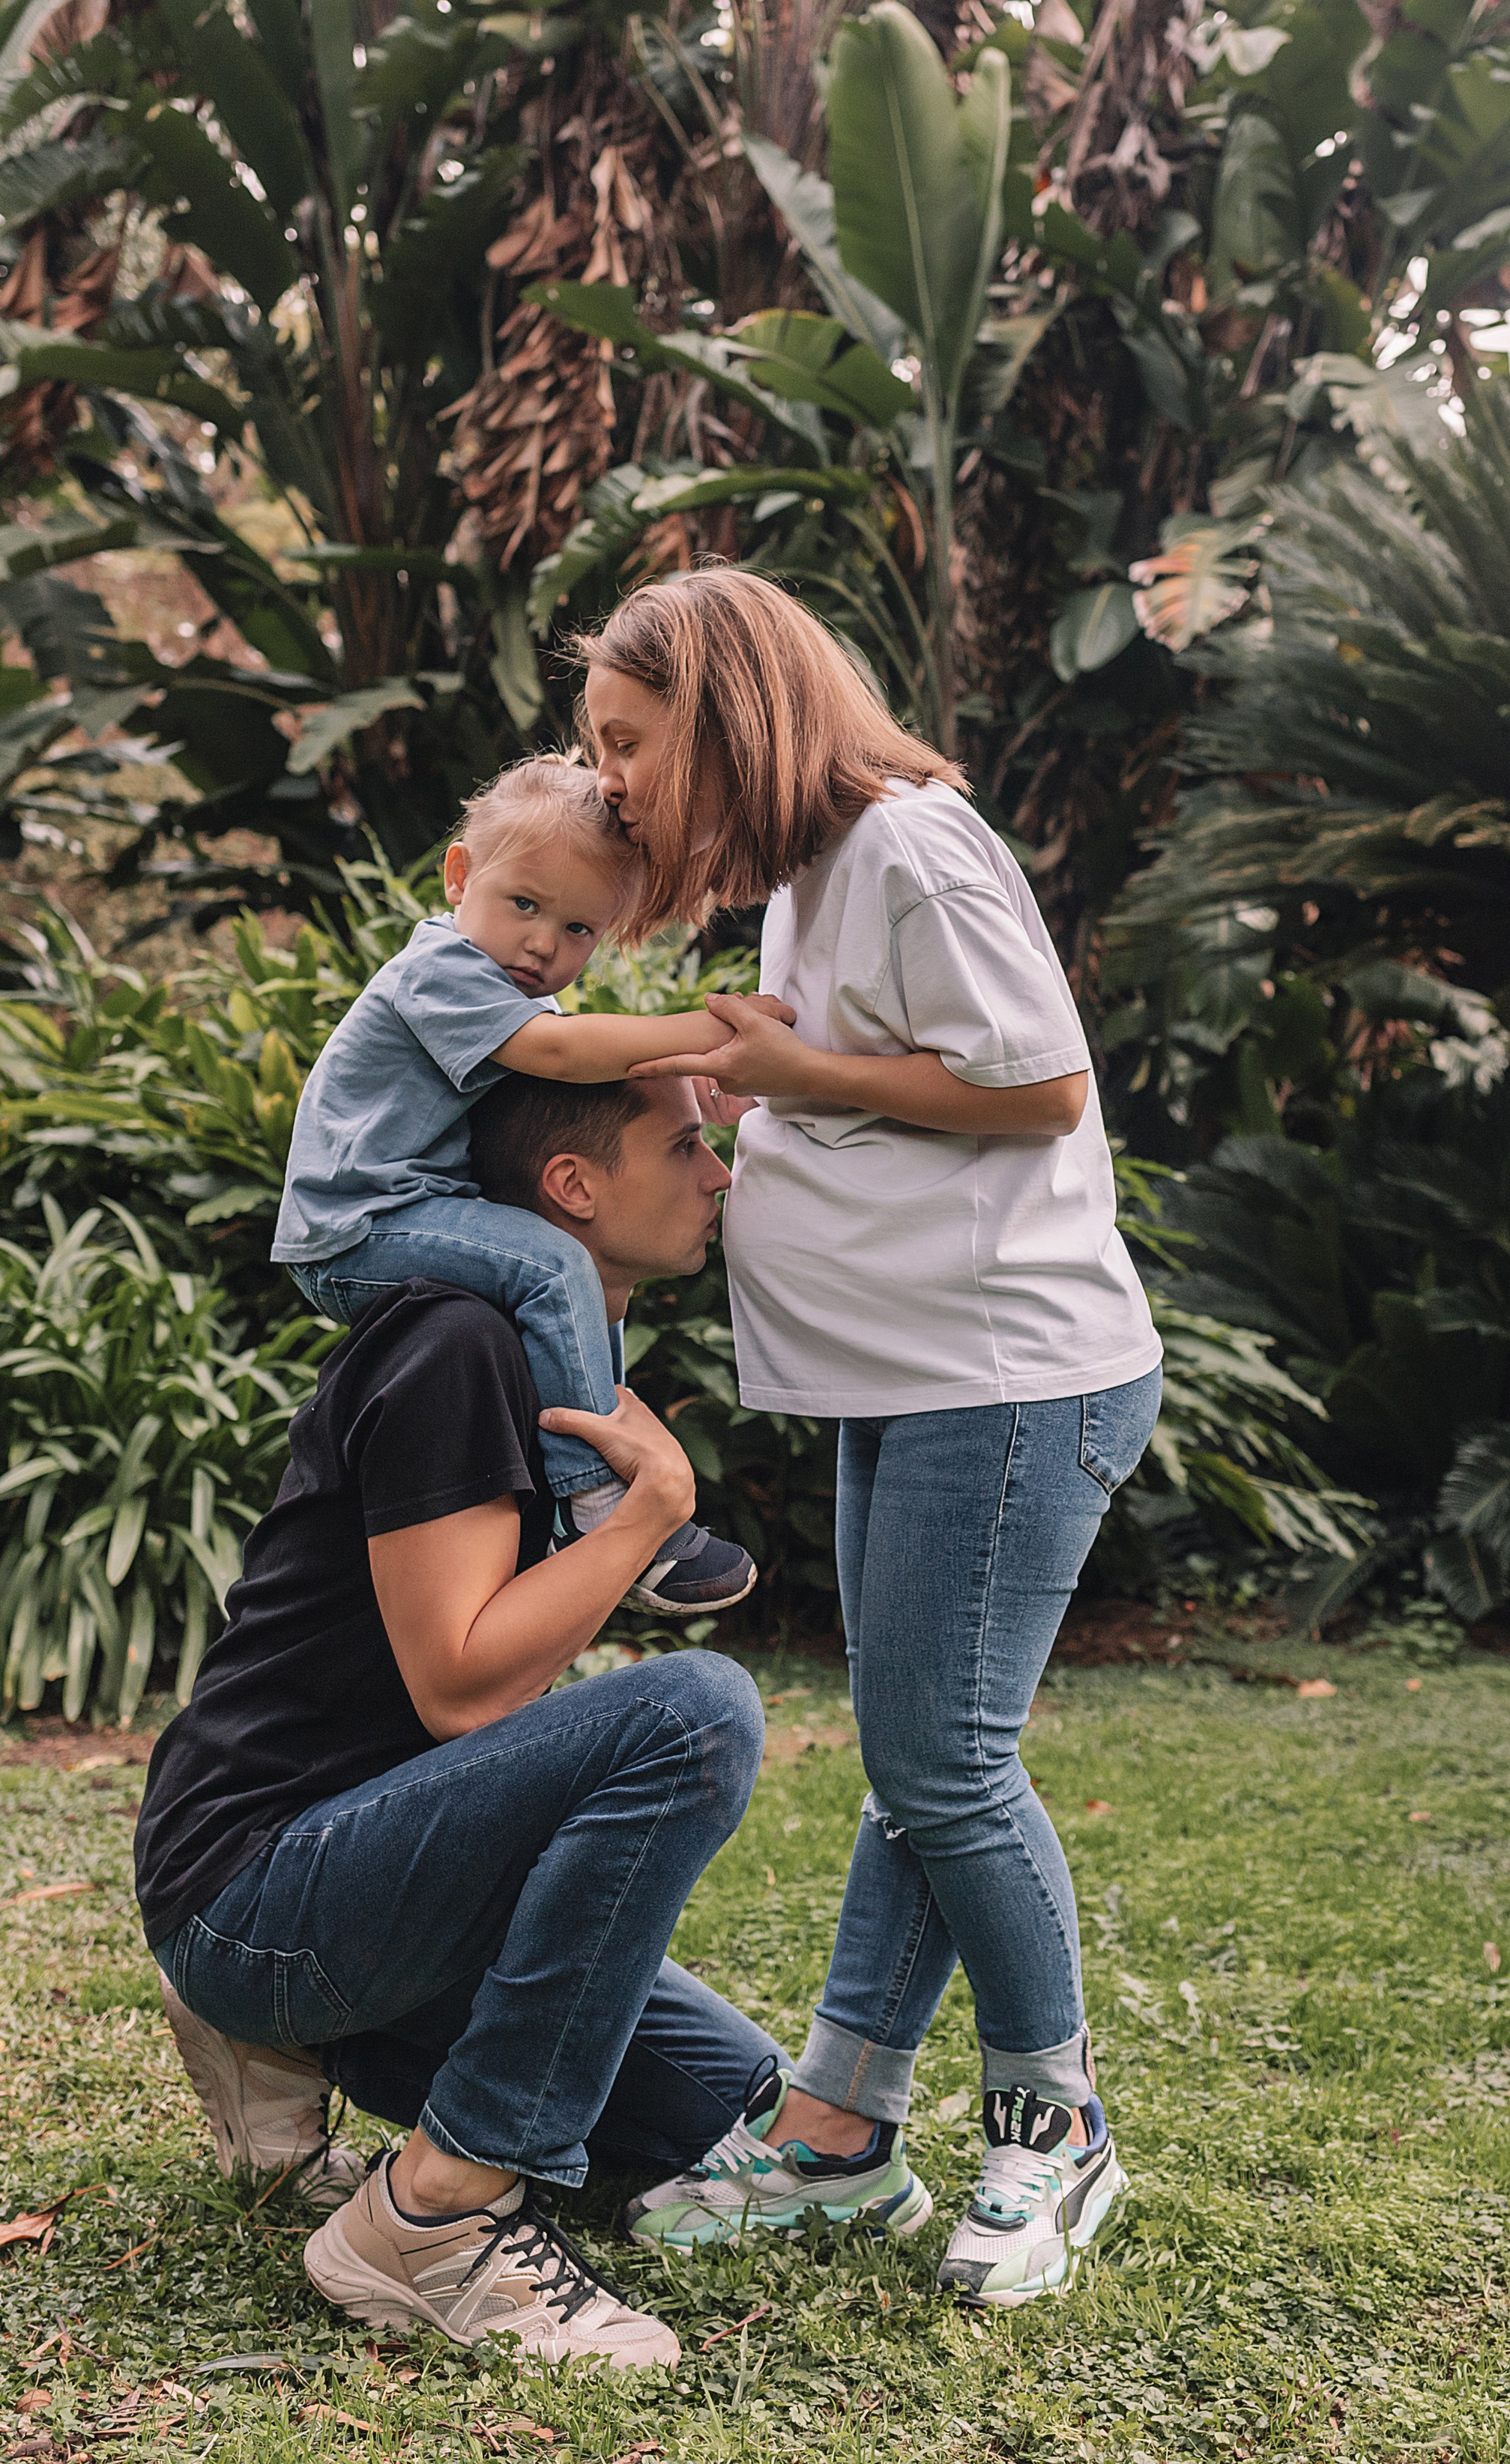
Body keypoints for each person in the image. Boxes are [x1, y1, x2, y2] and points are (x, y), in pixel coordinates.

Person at [577, 570, 1164, 2310]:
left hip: (1005, 1373)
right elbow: (888, 1090)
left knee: (943, 1761)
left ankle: (1055, 2127)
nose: (611, 780)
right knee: (919, 1760)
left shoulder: (906, 841)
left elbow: (1039, 1084)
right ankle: (835, 2131)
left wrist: (802, 1079)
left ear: (723, 709)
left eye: (628, 741)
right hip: (911, 1374)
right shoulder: (818, 877)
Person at [133, 1071, 784, 2367]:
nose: (721, 1176)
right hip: (257, 1878)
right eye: (688, 1146)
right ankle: (436, 2213)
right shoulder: (457, 1346)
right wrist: (650, 1517)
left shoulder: (539, 1354)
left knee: (736, 2108)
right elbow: (465, 1686)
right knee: (697, 1714)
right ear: (573, 1188)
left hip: (377, 1871)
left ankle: (290, 2034)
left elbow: (477, 1728)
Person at [271, 751, 761, 1616]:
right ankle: (596, 1501)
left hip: (414, 1212)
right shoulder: (443, 972)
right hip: (357, 1225)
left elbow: (578, 1095)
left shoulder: (499, 987)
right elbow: (562, 1056)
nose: (544, 944)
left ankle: (600, 1453)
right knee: (549, 1264)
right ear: (460, 876)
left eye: (579, 931)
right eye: (525, 905)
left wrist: (709, 1087)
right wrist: (718, 1028)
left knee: (584, 1273)